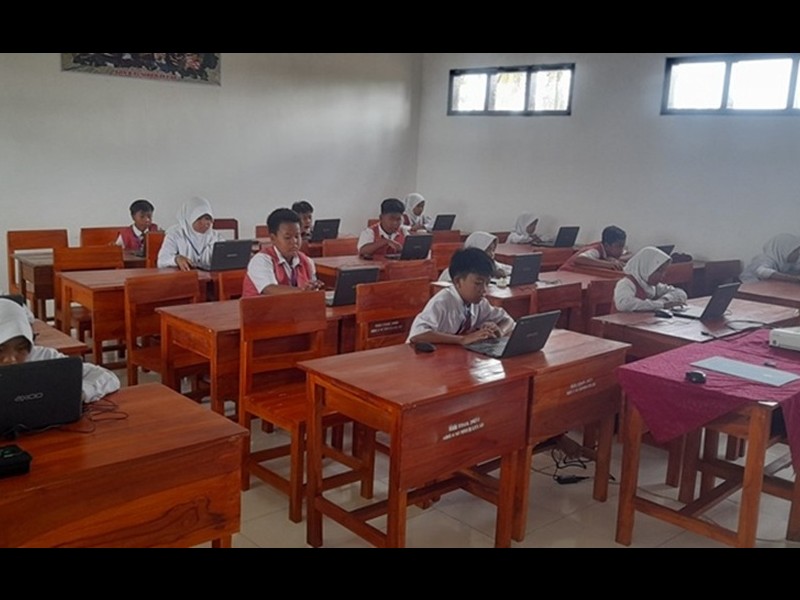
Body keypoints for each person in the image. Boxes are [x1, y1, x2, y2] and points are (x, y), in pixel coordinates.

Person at [0, 298, 120, 403]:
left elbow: (107, 377)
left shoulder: (42, 357)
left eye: (21, 348)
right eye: (0, 350)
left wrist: (80, 392)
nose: (11, 359)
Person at [408, 247, 515, 346]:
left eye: (487, 283)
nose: (484, 289)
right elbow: (417, 335)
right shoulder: (442, 302)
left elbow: (508, 320)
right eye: (478, 283)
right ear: (458, 281)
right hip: (421, 356)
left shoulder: (479, 303)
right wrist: (462, 339)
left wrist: (500, 331)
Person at [242, 208, 325, 297]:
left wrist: (313, 288)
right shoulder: (261, 260)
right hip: (262, 306)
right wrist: (302, 291)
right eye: (287, 238)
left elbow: (310, 292)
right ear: (273, 238)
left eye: (297, 236)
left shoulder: (307, 261)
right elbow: (269, 289)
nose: (294, 241)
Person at [157, 196, 225, 271]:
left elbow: (225, 258)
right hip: (184, 276)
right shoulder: (175, 234)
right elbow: (162, 261)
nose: (205, 223)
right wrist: (176, 259)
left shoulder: (216, 237)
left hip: (211, 276)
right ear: (189, 219)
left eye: (207, 218)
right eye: (199, 218)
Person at [614, 246, 688, 312]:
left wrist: (664, 300)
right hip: (619, 322)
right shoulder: (626, 283)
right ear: (646, 268)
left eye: (664, 271)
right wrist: (660, 305)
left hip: (643, 321)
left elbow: (681, 293)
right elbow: (624, 304)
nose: (663, 275)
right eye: (659, 271)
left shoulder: (652, 286)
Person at [438, 231, 512, 282]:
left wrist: (501, 272)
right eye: (488, 250)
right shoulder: (455, 272)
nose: (491, 254)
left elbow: (509, 269)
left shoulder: (491, 265)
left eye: (493, 250)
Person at [560, 225, 629, 272]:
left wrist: (615, 259)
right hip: (566, 273)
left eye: (622, 246)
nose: (621, 249)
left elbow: (629, 254)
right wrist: (608, 264)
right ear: (607, 246)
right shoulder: (596, 249)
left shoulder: (610, 250)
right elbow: (580, 259)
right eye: (619, 246)